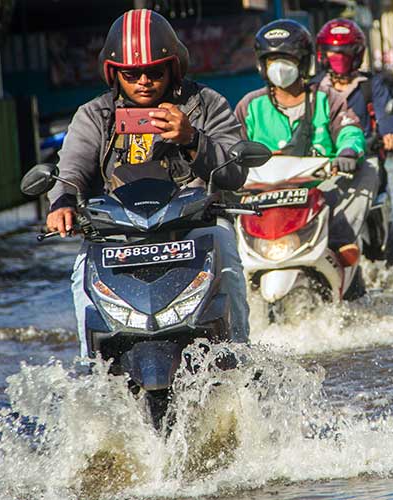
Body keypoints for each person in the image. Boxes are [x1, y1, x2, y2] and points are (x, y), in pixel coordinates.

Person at [46, 9, 251, 357]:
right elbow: (71, 171)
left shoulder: (206, 105)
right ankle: (93, 372)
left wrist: (192, 139)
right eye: (131, 73)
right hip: (116, 236)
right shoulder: (95, 115)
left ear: (173, 67)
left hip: (194, 231)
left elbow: (235, 171)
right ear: (115, 74)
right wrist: (62, 203)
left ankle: (243, 359)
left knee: (225, 250)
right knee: (81, 272)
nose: (143, 81)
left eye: (154, 71)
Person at [234, 19, 373, 267]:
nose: (279, 68)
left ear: (304, 62)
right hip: (262, 196)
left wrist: (348, 152)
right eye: (271, 61)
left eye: (287, 60)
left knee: (369, 171)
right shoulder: (250, 106)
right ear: (262, 65)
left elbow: (349, 130)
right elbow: (232, 145)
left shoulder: (327, 98)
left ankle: (344, 250)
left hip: (319, 187)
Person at [315, 18, 393, 266]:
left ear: (357, 54)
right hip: (322, 167)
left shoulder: (371, 84)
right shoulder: (314, 88)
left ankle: (383, 252)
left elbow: (386, 112)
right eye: (334, 53)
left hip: (364, 159)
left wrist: (389, 134)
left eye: (345, 52)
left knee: (376, 201)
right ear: (323, 54)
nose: (339, 58)